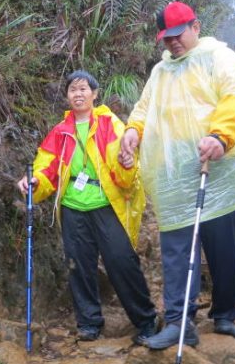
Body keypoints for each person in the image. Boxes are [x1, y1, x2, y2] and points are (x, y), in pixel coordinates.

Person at [118, 2, 235, 349]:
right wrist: (134, 129)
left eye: (178, 34)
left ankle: (225, 312)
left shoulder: (217, 57)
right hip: (176, 175)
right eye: (166, 37)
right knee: (177, 248)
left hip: (216, 167)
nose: (172, 42)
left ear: (195, 26)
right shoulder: (161, 71)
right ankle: (179, 322)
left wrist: (221, 135)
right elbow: (146, 107)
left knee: (223, 246)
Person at [16, 70, 159, 343]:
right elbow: (46, 165)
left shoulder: (110, 123)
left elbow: (126, 162)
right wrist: (34, 180)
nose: (78, 94)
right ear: (68, 96)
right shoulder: (61, 131)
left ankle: (145, 319)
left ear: (95, 94)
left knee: (121, 261)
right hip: (72, 206)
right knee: (78, 265)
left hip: (106, 204)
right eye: (73, 89)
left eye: (83, 89)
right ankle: (89, 322)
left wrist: (128, 165)